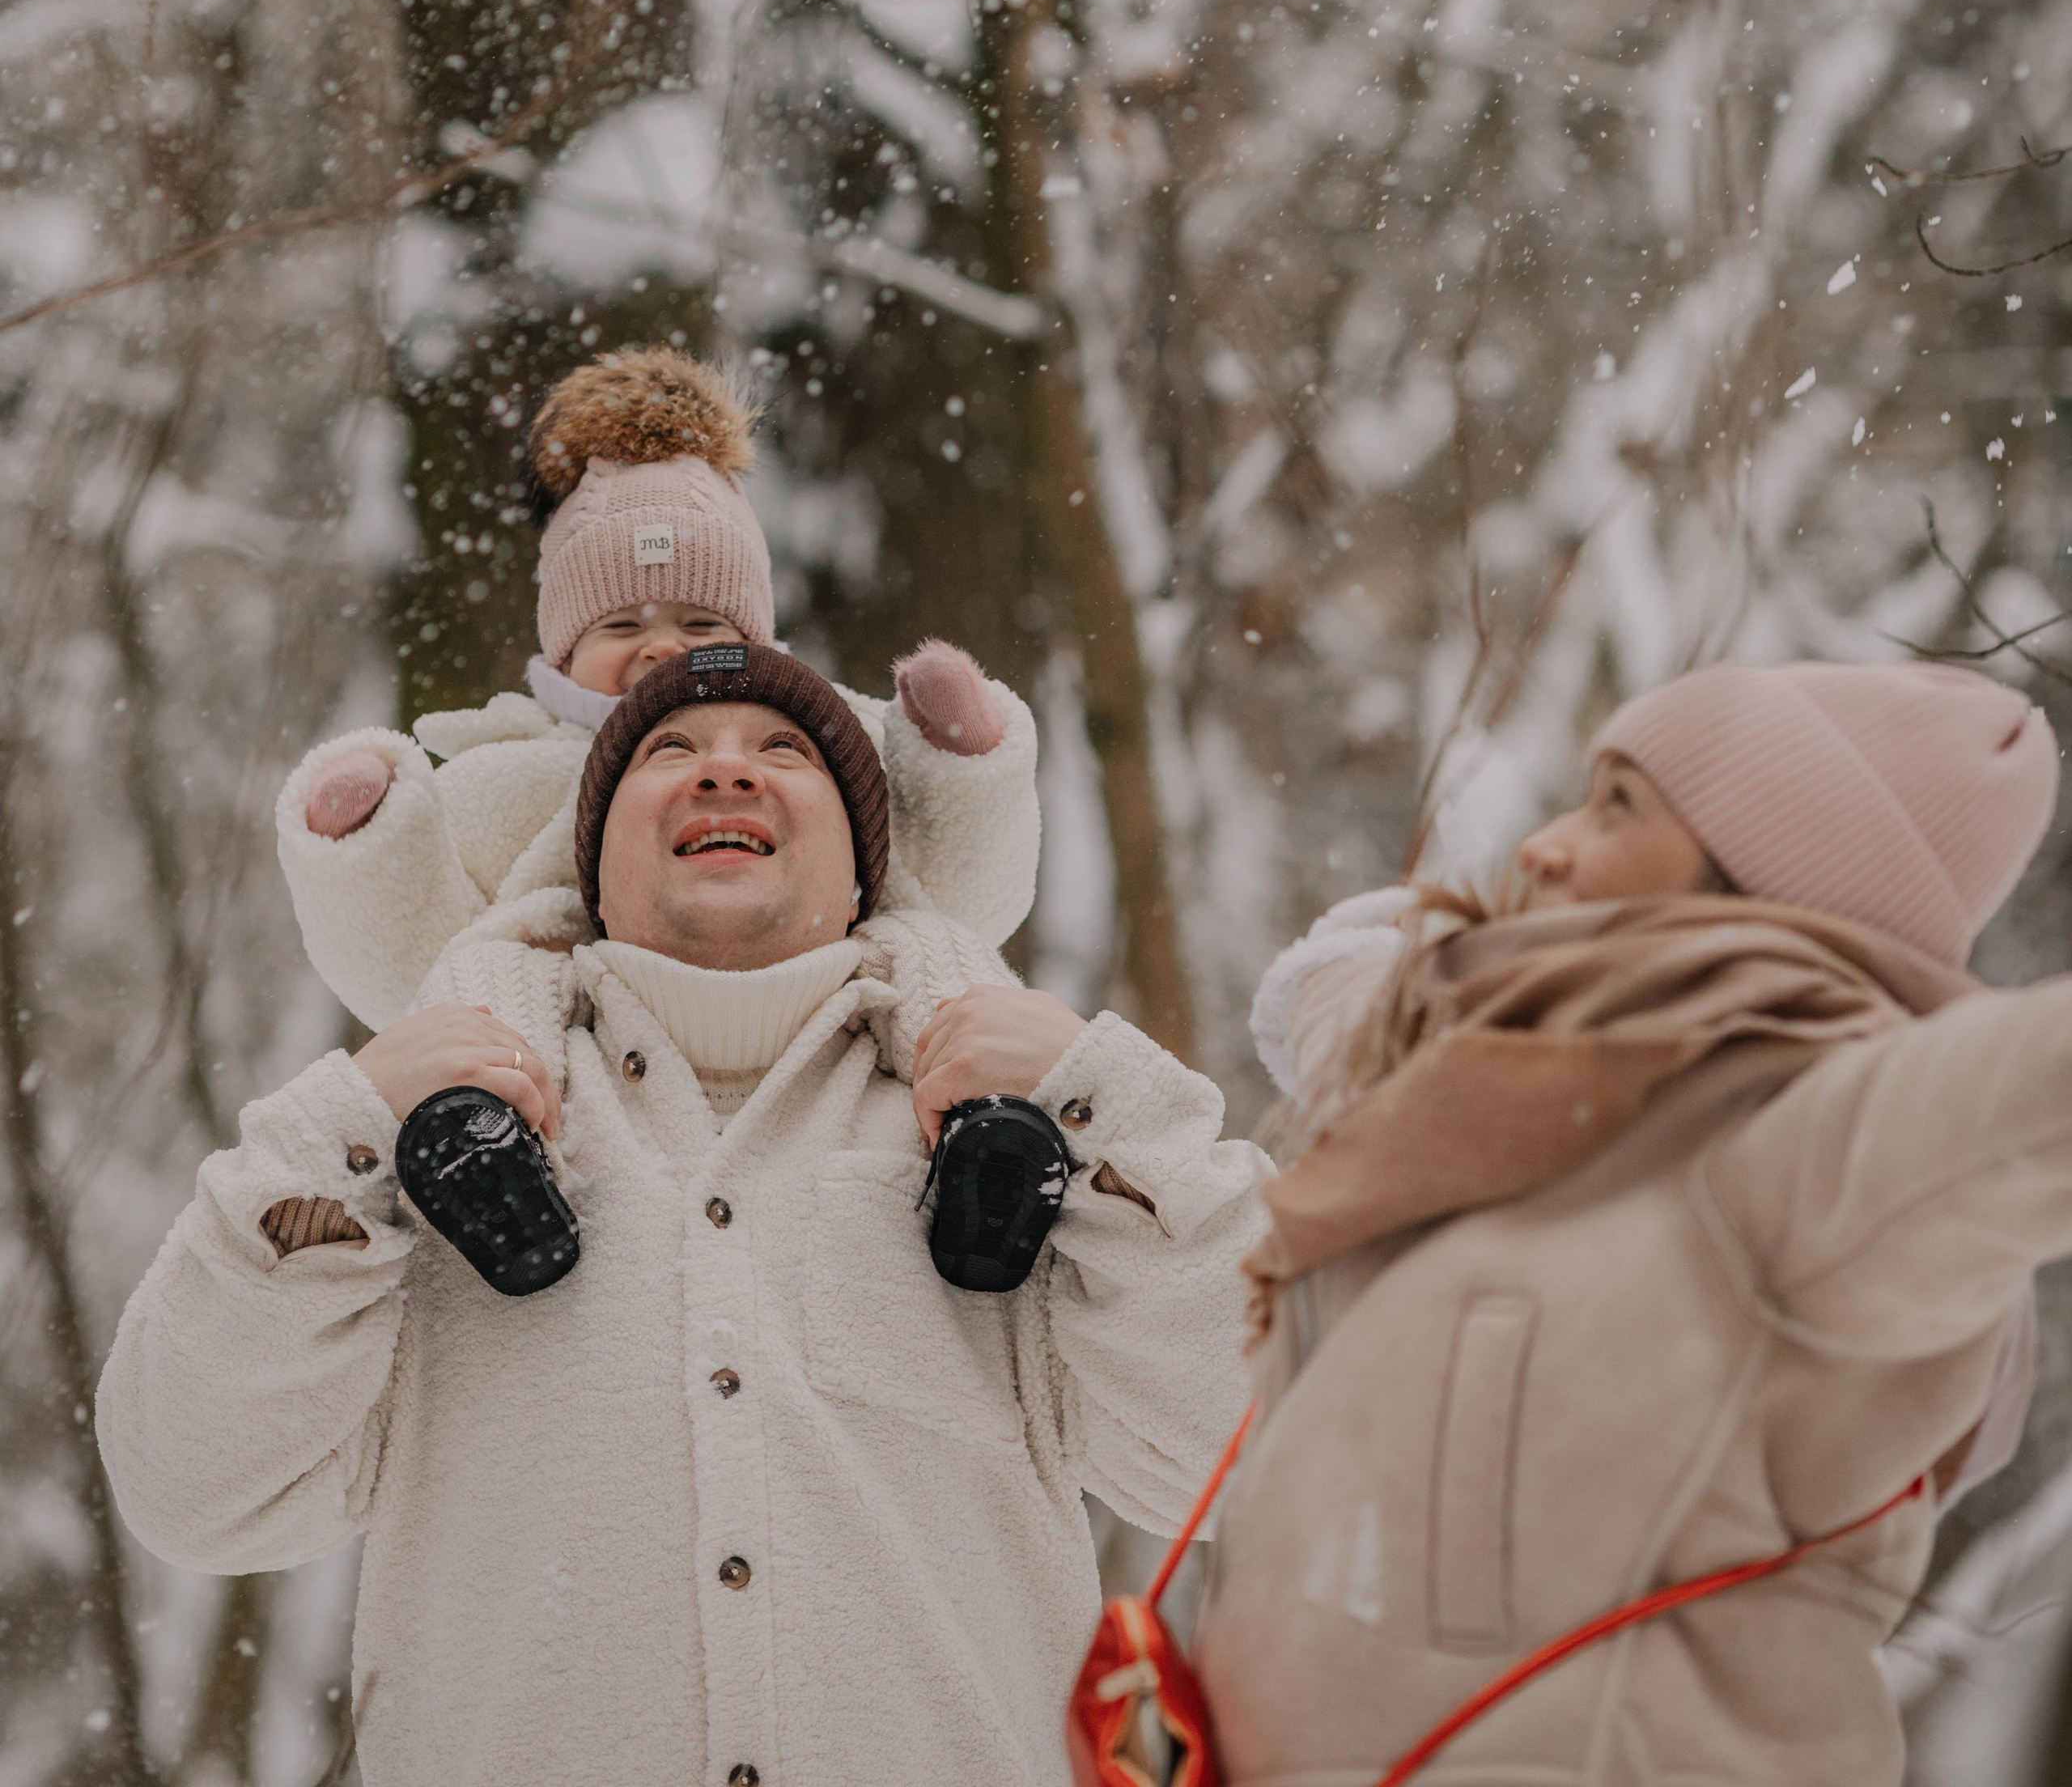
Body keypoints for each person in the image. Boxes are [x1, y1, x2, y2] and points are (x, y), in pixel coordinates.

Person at [100, 641, 1266, 1787]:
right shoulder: (425, 1164)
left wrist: (1101, 1093)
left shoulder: (1016, 1148)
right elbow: (194, 1490)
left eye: (782, 750)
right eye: (669, 748)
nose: (726, 770)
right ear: (591, 872)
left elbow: (1263, 1453)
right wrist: (346, 1119)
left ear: (865, 870)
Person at [1197, 660, 2063, 1787]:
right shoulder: (1497, 1098)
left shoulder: (1804, 1143)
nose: (1543, 846)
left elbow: (2020, 1097)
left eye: (1618, 807)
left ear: (1762, 880)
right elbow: (1380, 1015)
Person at [279, 346, 1045, 1028]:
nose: (662, 649)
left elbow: (961, 895)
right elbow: (414, 971)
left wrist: (959, 768)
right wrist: (370, 855)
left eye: (701, 624)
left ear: (755, 640)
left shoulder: (823, 747)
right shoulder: (504, 778)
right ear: (562, 652)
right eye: (620, 627)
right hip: (567, 1064)